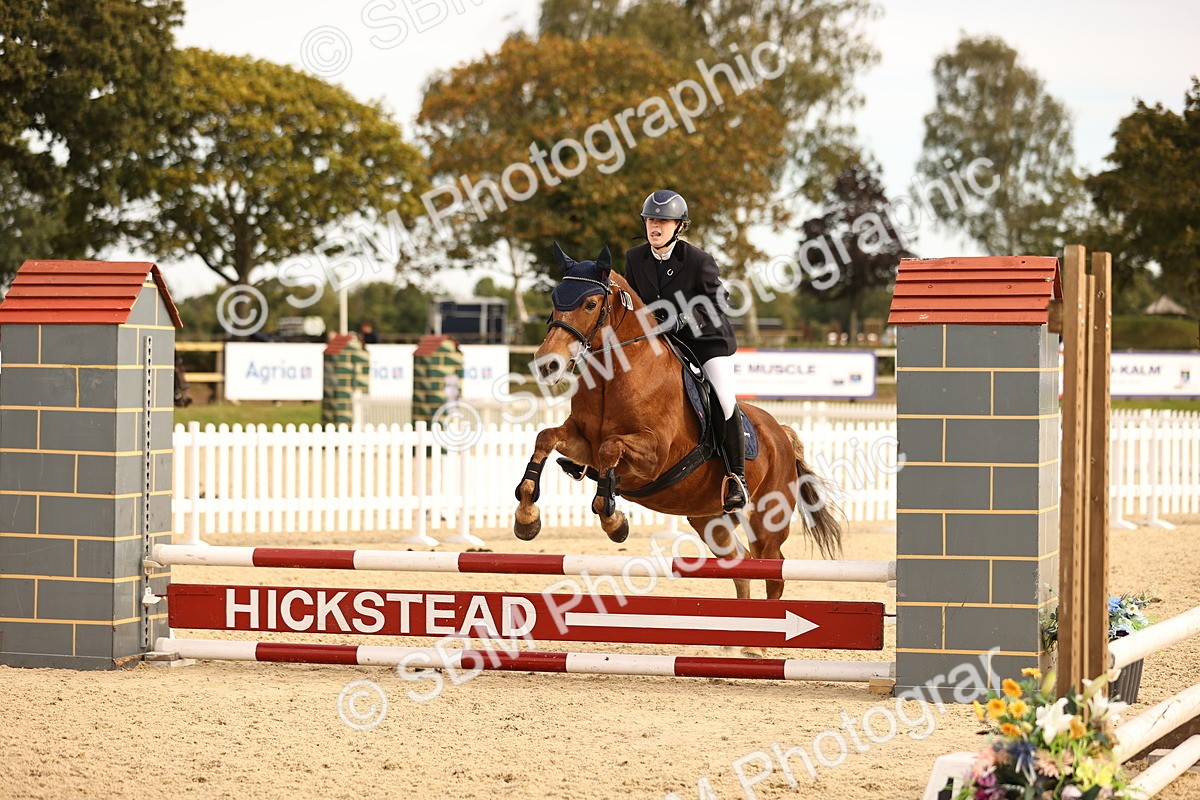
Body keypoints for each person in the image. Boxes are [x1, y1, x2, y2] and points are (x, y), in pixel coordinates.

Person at [624, 189, 746, 512]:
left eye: (663, 220)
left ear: (679, 226)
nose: (655, 226)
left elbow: (720, 302)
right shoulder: (635, 258)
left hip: (707, 341)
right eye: (651, 219)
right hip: (664, 344)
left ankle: (736, 478)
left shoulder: (698, 261)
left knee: (723, 398)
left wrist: (683, 318)